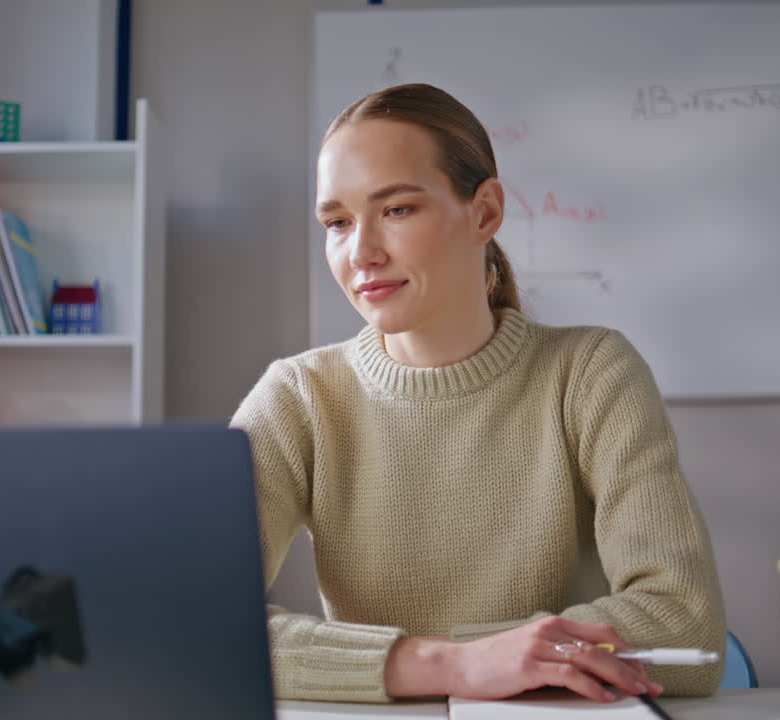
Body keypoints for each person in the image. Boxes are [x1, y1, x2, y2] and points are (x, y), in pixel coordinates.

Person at [231, 83, 726, 704]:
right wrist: (453, 666)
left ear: (485, 212)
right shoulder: (298, 398)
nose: (361, 252)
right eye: (336, 222)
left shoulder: (592, 372)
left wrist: (472, 661)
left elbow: (684, 624)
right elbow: (189, 622)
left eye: (397, 209)